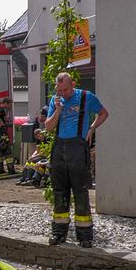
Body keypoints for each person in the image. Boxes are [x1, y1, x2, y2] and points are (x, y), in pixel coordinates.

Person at [45, 72, 109, 248]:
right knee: (60, 192)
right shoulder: (55, 100)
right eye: (59, 90)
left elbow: (103, 113)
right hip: (59, 149)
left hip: (78, 150)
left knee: (80, 192)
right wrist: (57, 110)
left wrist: (91, 128)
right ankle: (58, 233)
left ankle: (85, 236)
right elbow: (48, 127)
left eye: (65, 89)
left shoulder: (87, 97)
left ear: (72, 84)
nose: (63, 93)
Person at [17, 107, 49, 185]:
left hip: (46, 157)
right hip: (42, 156)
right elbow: (37, 150)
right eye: (37, 137)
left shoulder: (47, 138)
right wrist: (32, 156)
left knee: (36, 162)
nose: (39, 138)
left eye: (39, 136)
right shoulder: (40, 140)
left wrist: (34, 157)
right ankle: (23, 179)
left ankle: (32, 180)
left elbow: (44, 152)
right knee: (29, 162)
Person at [0, 96, 15, 174]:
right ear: (6, 103)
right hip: (2, 135)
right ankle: (11, 170)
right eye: (10, 104)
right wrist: (1, 122)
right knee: (8, 152)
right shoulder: (1, 109)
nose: (10, 107)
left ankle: (0, 170)